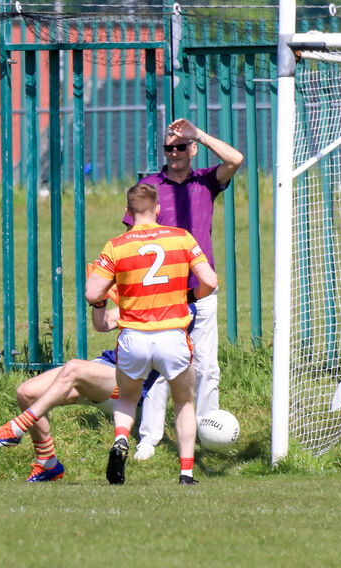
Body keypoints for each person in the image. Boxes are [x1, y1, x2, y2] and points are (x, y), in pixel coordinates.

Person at [127, 117, 243, 461]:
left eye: (181, 146)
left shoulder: (205, 180)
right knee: (162, 368)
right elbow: (133, 239)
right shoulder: (149, 186)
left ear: (192, 149)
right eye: (169, 147)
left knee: (207, 366)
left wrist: (201, 135)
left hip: (202, 293)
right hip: (163, 296)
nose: (175, 153)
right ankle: (149, 438)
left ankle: (208, 432)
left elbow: (235, 160)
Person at [0, 266, 158, 483]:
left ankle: (15, 429)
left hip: (128, 385)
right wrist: (99, 300)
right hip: (104, 370)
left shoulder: (169, 310)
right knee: (27, 392)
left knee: (74, 368)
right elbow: (102, 324)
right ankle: (47, 463)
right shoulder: (136, 301)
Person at [87, 183, 218, 485]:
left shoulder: (116, 246)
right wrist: (191, 297)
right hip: (173, 335)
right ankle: (186, 474)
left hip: (134, 337)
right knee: (184, 402)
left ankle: (121, 440)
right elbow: (210, 280)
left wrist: (100, 300)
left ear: (128, 212)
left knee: (127, 400)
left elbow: (93, 291)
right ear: (158, 209)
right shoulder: (182, 238)